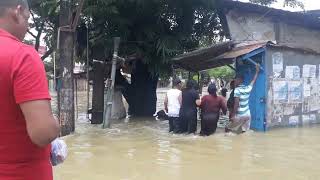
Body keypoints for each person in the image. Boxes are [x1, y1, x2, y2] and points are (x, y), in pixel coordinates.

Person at [0, 0, 60, 179]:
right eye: (27, 18)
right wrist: (54, 123)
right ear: (17, 12)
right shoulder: (22, 56)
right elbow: (42, 133)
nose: (26, 27)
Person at [227, 64, 260, 133]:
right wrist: (257, 71)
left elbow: (236, 104)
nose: (235, 81)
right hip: (248, 114)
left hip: (240, 115)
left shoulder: (237, 90)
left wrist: (233, 115)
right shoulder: (248, 88)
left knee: (228, 129)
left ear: (240, 80)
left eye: (236, 79)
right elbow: (253, 80)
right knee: (244, 132)